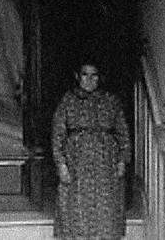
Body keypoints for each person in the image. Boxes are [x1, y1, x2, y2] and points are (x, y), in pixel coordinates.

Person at [52, 62, 131, 240]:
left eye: (93, 75)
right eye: (85, 75)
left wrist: (122, 160)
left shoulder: (111, 100)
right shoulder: (68, 101)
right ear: (77, 76)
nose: (89, 80)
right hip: (76, 162)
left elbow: (122, 132)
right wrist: (61, 164)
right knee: (76, 207)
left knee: (106, 208)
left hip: (105, 164)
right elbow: (58, 134)